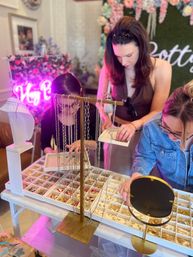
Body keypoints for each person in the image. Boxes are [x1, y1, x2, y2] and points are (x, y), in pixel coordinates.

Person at [97, 16, 172, 174]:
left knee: (142, 186)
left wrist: (133, 125)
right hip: (117, 135)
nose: (123, 62)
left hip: (147, 137)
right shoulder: (110, 66)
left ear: (141, 47)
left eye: (129, 55)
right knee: (114, 183)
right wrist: (106, 117)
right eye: (118, 56)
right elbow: (100, 101)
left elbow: (158, 111)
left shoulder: (162, 68)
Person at [120, 79, 193, 204]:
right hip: (165, 192)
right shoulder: (152, 127)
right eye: (165, 127)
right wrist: (137, 176)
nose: (170, 137)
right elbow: (144, 156)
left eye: (178, 134)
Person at [41, 72, 97, 155]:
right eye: (64, 106)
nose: (71, 110)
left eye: (75, 103)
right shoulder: (49, 115)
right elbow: (45, 143)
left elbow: (99, 143)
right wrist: (51, 153)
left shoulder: (90, 111)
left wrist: (84, 143)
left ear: (80, 94)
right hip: (61, 159)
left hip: (87, 158)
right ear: (55, 100)